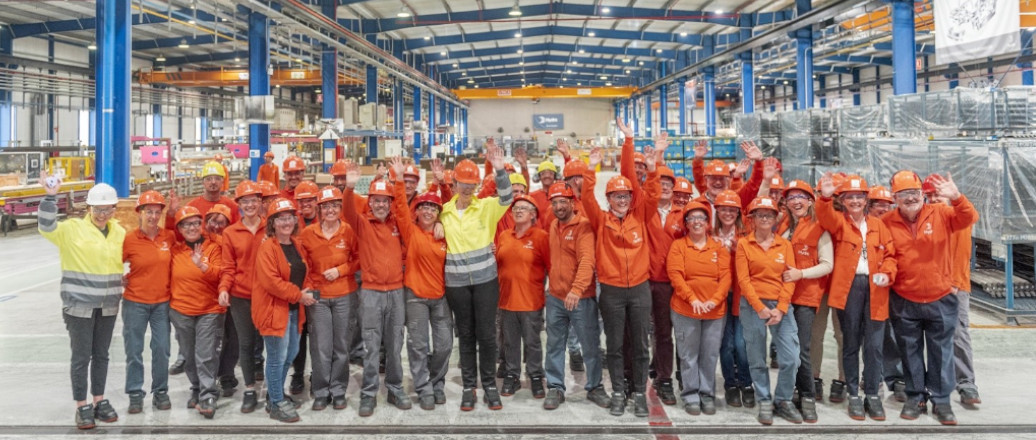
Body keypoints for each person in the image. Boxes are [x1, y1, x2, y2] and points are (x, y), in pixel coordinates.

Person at [881, 171, 977, 425]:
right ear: (894, 198)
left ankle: (941, 400)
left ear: (922, 194)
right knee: (909, 351)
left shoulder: (942, 214)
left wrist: (956, 197)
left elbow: (969, 217)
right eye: (903, 194)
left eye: (914, 193)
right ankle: (916, 397)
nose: (910, 198)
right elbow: (887, 255)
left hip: (941, 297)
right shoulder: (887, 222)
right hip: (904, 298)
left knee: (941, 352)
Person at [581, 127, 662, 417]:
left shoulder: (640, 216)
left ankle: (639, 393)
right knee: (614, 345)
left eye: (626, 195)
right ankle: (618, 391)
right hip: (612, 291)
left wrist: (652, 170)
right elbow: (586, 197)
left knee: (640, 345)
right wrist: (591, 168)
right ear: (609, 198)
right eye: (616, 195)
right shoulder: (600, 221)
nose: (622, 199)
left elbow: (651, 193)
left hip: (639, 289)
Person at [38, 172, 125, 430]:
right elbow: (46, 227)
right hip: (79, 306)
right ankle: (81, 405)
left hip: (108, 305)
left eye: (107, 209)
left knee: (101, 355)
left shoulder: (119, 231)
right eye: (98, 209)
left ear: (113, 209)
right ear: (89, 208)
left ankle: (99, 400)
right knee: (81, 357)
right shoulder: (72, 229)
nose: (102, 214)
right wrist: (50, 197)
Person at [439, 140, 514, 411]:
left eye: (472, 184)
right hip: (457, 285)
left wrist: (499, 169)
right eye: (463, 183)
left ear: (477, 185)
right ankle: (469, 387)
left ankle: (490, 386)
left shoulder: (485, 207)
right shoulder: (444, 212)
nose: (468, 188)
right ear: (455, 183)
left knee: (486, 335)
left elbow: (507, 197)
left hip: (485, 283)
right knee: (467, 336)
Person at [816, 173, 897, 422]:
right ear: (843, 200)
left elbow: (891, 255)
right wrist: (825, 196)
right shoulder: (839, 223)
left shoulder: (878, 226)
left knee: (873, 346)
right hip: (849, 288)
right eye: (850, 197)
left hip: (876, 287)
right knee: (850, 343)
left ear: (866, 200)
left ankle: (872, 394)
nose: (855, 201)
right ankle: (853, 394)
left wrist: (887, 273)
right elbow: (824, 214)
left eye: (859, 197)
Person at [342, 162, 410, 417]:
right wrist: (349, 187)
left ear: (390, 203)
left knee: (394, 345)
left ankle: (394, 388)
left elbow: (404, 210)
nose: (381, 205)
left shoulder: (397, 225)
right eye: (376, 201)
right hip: (370, 293)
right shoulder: (361, 224)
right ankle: (369, 393)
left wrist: (400, 180)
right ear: (369, 202)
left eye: (385, 201)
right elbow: (347, 211)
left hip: (396, 292)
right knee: (371, 345)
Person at [389, 157, 452, 410]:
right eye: (424, 207)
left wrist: (442, 183)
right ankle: (424, 386)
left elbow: (453, 209)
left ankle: (437, 382)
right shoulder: (410, 231)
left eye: (433, 209)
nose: (428, 211)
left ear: (438, 213)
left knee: (445, 344)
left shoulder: (445, 234)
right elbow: (401, 207)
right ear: (417, 212)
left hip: (440, 298)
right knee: (418, 345)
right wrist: (398, 177)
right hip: (415, 296)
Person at [542, 182, 609, 410]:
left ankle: (595, 386)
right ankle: (555, 387)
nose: (559, 206)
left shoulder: (583, 226)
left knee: (590, 345)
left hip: (581, 299)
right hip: (555, 298)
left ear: (572, 202)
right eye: (555, 202)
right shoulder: (552, 225)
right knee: (554, 345)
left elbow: (587, 261)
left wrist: (576, 290)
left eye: (563, 201)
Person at [253, 198, 318, 423]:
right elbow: (271, 282)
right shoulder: (267, 248)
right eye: (281, 218)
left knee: (289, 354)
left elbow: (303, 270)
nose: (286, 222)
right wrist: (299, 295)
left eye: (289, 217)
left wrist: (307, 287)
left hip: (293, 310)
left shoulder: (296, 244)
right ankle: (277, 402)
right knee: (276, 358)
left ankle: (275, 396)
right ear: (272, 223)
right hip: (274, 310)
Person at [736, 196, 800, 425]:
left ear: (776, 218)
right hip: (753, 306)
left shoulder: (785, 244)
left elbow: (790, 277)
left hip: (781, 306)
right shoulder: (744, 244)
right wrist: (760, 308)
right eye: (760, 214)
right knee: (756, 357)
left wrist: (781, 309)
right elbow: (743, 280)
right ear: (752, 219)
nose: (764, 218)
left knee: (791, 358)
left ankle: (782, 400)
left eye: (769, 215)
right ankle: (764, 399)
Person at [297, 185, 359, 411]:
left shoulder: (348, 231)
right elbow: (303, 267)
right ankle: (321, 390)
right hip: (319, 298)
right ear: (319, 209)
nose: (330, 210)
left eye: (334, 205)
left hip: (344, 294)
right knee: (321, 346)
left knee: (341, 345)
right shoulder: (307, 234)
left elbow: (358, 259)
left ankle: (339, 389)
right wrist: (311, 290)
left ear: (340, 208)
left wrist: (341, 270)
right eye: (326, 206)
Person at [776, 180, 833, 424]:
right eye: (791, 198)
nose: (796, 201)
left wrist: (801, 274)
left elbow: (827, 264)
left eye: (801, 196)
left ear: (811, 200)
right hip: (782, 296)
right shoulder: (783, 226)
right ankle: (790, 393)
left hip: (805, 297)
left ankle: (807, 396)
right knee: (786, 350)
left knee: (803, 349)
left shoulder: (820, 227)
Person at [667, 202, 731, 416]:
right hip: (685, 310)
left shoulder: (719, 248)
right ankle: (690, 394)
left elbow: (725, 278)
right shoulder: (678, 247)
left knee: (709, 355)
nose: (696, 222)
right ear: (686, 223)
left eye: (701, 218)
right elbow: (675, 275)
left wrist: (715, 299)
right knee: (688, 355)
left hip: (714, 312)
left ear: (707, 223)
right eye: (691, 218)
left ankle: (707, 394)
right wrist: (692, 298)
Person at [923, 177, 982, 407]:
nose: (935, 199)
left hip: (956, 288)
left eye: (939, 194)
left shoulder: (960, 216)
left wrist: (954, 283)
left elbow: (959, 255)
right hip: (929, 288)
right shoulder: (927, 220)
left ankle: (966, 383)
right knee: (929, 338)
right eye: (930, 195)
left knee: (958, 335)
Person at [167, 206, 224, 419]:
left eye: (195, 223)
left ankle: (209, 393)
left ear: (201, 226)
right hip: (181, 310)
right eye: (186, 224)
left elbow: (220, 274)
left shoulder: (213, 247)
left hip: (209, 310)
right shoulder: (175, 250)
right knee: (188, 355)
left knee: (206, 354)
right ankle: (197, 388)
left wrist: (203, 266)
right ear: (179, 228)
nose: (191, 228)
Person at [121, 191, 175, 415]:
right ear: (140, 214)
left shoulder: (168, 237)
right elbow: (114, 262)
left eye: (156, 212)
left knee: (161, 348)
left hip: (162, 304)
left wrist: (173, 213)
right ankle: (135, 392)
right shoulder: (129, 239)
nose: (153, 216)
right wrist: (119, 276)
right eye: (148, 212)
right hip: (135, 303)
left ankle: (160, 391)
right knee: (134, 350)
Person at [217, 181, 267, 412]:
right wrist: (224, 289)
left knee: (273, 344)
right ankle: (249, 389)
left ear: (260, 203)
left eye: (253, 200)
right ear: (238, 205)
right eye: (245, 201)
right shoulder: (230, 233)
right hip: (241, 297)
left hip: (269, 296)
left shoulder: (272, 228)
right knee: (246, 345)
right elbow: (228, 266)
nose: (250, 205)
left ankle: (274, 388)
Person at [495, 195, 550, 399]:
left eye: (524, 208)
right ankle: (512, 375)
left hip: (531, 301)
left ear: (533, 214)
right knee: (510, 342)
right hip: (506, 300)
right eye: (516, 208)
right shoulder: (504, 236)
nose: (518, 211)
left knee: (532, 342)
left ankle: (535, 376)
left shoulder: (541, 237)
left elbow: (550, 266)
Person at [713, 190, 754, 409]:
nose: (728, 213)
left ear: (739, 212)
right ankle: (730, 384)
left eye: (732, 209)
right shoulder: (708, 234)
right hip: (718, 297)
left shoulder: (746, 234)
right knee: (726, 344)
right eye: (723, 209)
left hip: (742, 296)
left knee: (742, 343)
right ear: (716, 211)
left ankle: (746, 383)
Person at [288, 180, 320, 395]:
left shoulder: (328, 219)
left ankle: (317, 373)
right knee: (298, 334)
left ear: (317, 201)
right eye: (301, 201)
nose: (305, 204)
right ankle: (298, 375)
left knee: (318, 335)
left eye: (309, 200)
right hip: (298, 289)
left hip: (320, 287)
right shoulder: (292, 225)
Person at [167, 161, 240, 230]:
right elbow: (177, 236)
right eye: (209, 179)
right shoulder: (192, 207)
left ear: (222, 182)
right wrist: (171, 215)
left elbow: (237, 232)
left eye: (217, 178)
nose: (213, 182)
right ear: (203, 182)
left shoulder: (232, 206)